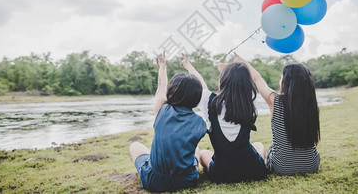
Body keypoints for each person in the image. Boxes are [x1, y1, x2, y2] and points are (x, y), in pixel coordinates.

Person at [181, 54, 268, 183]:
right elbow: (243, 82)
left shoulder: (210, 103)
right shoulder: (248, 102)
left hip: (222, 174)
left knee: (204, 153)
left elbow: (201, 85)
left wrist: (188, 65)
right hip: (253, 170)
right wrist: (229, 71)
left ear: (222, 80)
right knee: (259, 146)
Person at [129, 52, 207, 192]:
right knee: (196, 149)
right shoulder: (200, 122)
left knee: (135, 146)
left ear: (172, 91)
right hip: (187, 181)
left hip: (153, 181)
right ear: (198, 95)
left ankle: (148, 165)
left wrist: (163, 66)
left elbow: (161, 86)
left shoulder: (162, 110)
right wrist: (189, 66)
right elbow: (203, 89)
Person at [234, 53, 320, 175]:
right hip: (311, 165)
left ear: (286, 82)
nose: (280, 80)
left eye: (281, 77)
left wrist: (242, 61)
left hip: (281, 167)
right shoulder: (312, 106)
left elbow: (257, 79)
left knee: (268, 147)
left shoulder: (275, 100)